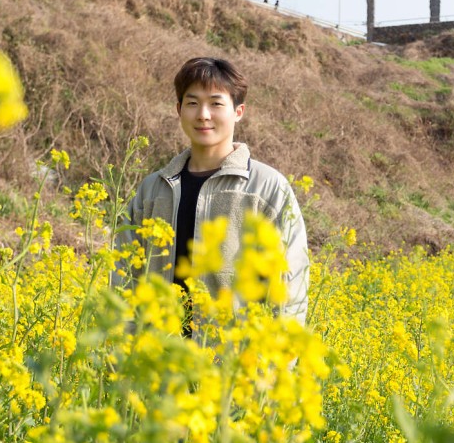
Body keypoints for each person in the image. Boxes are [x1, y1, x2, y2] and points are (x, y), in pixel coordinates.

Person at [113, 57, 309, 336]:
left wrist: (275, 368)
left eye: (216, 103)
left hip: (231, 369)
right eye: (192, 103)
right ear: (179, 110)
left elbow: (290, 285)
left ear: (238, 111)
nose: (203, 114)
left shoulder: (266, 189)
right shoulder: (153, 190)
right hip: (156, 366)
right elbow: (123, 277)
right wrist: (123, 354)